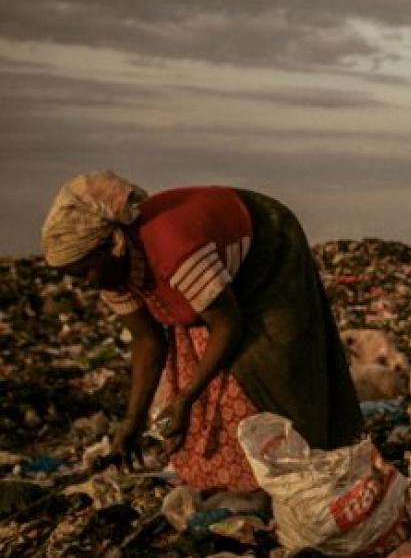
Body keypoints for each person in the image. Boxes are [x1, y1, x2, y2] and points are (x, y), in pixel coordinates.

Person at [41, 171, 363, 492]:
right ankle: (230, 479)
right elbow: (147, 341)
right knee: (195, 358)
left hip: (268, 245)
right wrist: (132, 421)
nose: (84, 284)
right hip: (211, 274)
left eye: (84, 272)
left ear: (113, 245)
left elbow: (228, 324)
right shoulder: (111, 275)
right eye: (74, 277)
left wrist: (186, 398)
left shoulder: (173, 250)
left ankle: (303, 469)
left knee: (267, 364)